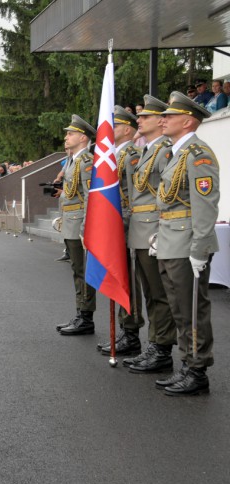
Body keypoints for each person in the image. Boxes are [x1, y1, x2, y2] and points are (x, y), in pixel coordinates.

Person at [155, 91, 220, 396]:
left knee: (193, 309)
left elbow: (205, 205)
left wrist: (200, 248)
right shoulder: (175, 154)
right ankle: (187, 363)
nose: (163, 120)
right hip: (171, 239)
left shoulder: (198, 155)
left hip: (187, 243)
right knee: (179, 309)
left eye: (170, 115)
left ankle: (197, 370)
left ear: (188, 120)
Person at [117, 95, 177, 373]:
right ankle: (153, 345)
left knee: (158, 293)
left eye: (145, 117)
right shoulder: (146, 152)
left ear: (161, 121)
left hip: (153, 230)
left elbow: (167, 196)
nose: (139, 120)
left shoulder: (165, 151)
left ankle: (161, 348)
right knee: (151, 293)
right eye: (139, 117)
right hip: (140, 230)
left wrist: (161, 230)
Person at [96, 106, 144, 357]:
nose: (109, 130)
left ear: (127, 130)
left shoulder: (132, 155)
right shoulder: (112, 154)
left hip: (125, 224)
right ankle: (126, 329)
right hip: (115, 223)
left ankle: (131, 332)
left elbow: (135, 195)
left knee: (128, 280)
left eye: (114, 126)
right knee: (118, 277)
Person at [56, 115, 97, 336]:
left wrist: (85, 228)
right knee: (77, 271)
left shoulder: (86, 161)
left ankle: (86, 317)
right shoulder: (73, 160)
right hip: (71, 221)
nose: (66, 137)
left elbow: (91, 196)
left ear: (83, 137)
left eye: (70, 134)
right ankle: (80, 312)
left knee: (83, 272)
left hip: (79, 222)